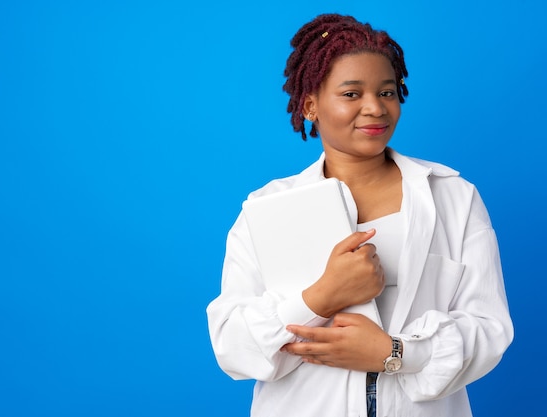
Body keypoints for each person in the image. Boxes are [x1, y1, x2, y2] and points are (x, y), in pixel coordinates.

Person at [207, 13, 513, 417]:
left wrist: (393, 352)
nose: (375, 108)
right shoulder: (265, 211)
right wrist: (321, 297)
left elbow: (490, 329)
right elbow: (233, 346)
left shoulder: (453, 197)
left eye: (387, 92)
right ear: (310, 105)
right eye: (351, 94)